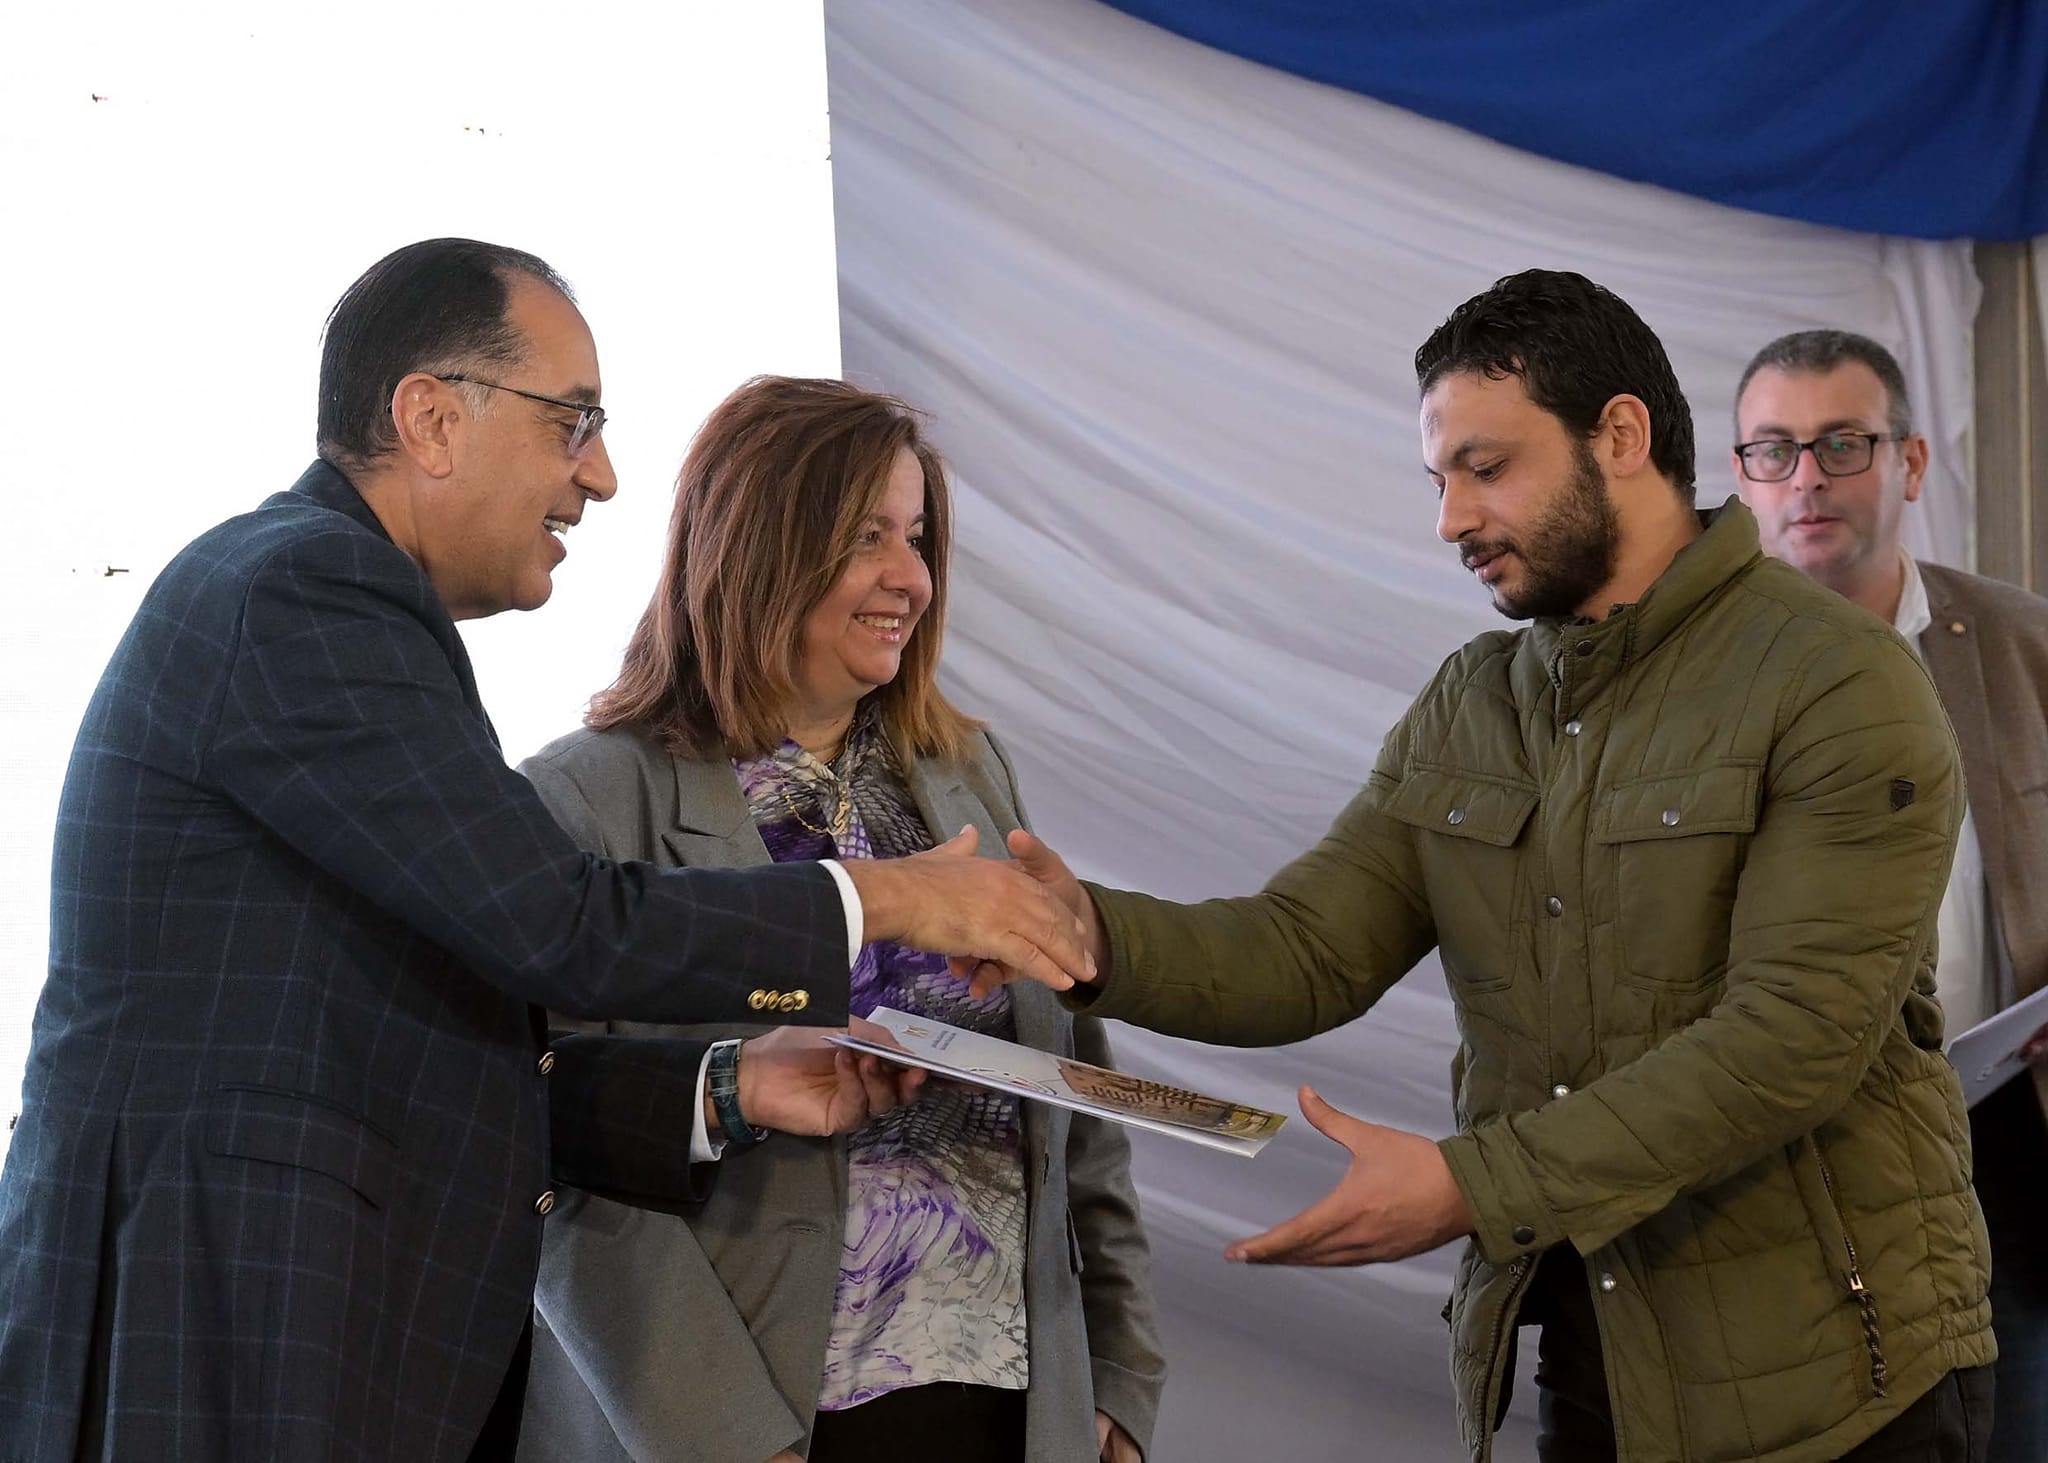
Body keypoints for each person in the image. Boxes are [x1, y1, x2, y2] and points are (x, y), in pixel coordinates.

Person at [0, 241, 1092, 1463]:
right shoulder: (307, 590)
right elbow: (561, 924)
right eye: (571, 421)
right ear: (430, 418)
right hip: (224, 1326)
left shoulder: (351, 614)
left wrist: (728, 1088)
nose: (603, 475)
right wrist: (891, 899)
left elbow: (454, 1053)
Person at [988, 270, 1997, 1461]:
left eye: (1485, 466)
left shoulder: (1835, 678)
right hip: (1592, 1350)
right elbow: (1305, 947)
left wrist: (1472, 1184)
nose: (1450, 519)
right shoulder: (1473, 701)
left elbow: (1789, 1040)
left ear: (1618, 436)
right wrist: (1086, 933)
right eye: (1439, 479)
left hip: (1839, 1383)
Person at [514, 376, 1164, 1463]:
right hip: (751, 1425)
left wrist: (1122, 1381)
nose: (911, 577)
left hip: (1014, 1414)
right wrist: (730, 1441)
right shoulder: (585, 799)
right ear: (759, 546)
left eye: (916, 537)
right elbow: (554, 1167)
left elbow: (1074, 1091)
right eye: (868, 536)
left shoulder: (968, 770)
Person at [1731, 328, 2048, 1463]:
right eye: (1773, 449)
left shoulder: (2022, 643)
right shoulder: (1682, 679)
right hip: (1778, 1162)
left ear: (1910, 463)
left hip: (2001, 1145)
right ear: (1739, 477)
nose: (1805, 478)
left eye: (1841, 444)